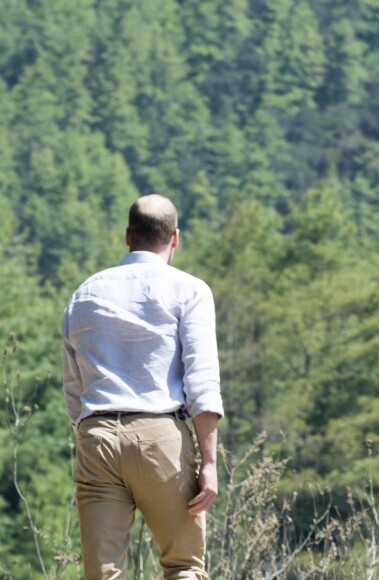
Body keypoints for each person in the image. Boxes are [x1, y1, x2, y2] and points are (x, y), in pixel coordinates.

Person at [62, 194, 223, 579]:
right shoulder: (189, 290)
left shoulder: (84, 294)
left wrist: (89, 433)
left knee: (102, 572)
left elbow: (73, 384)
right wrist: (210, 462)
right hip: (159, 437)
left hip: (96, 434)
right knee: (183, 565)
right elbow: (201, 381)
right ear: (175, 238)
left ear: (127, 236)